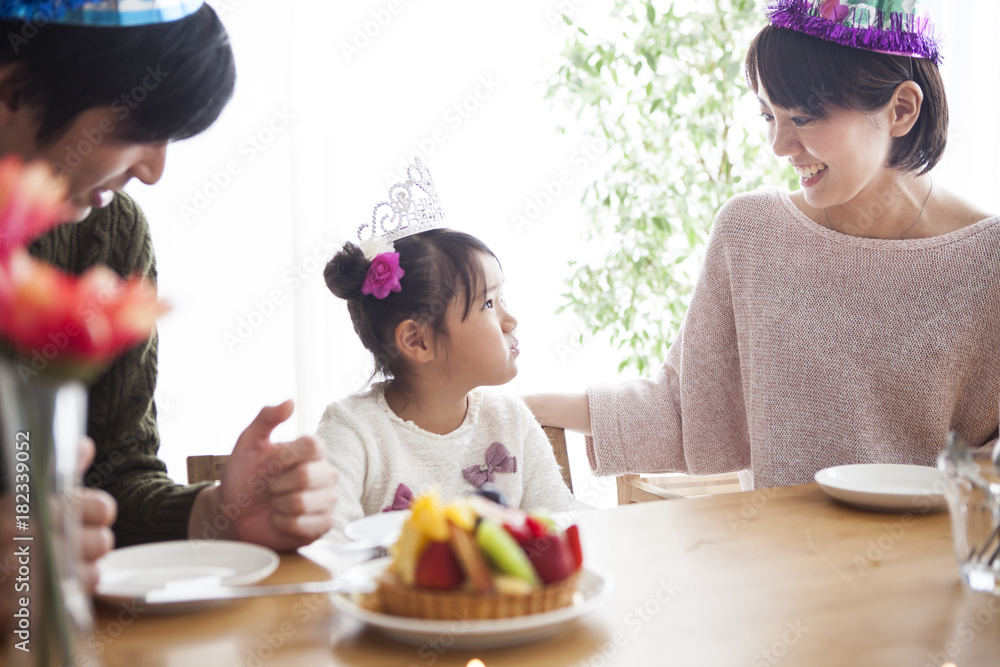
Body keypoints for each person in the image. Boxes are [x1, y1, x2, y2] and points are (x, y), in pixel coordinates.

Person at [524, 0, 1000, 490]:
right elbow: (687, 410)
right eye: (770, 116)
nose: (779, 146)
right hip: (776, 558)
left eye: (805, 118)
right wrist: (527, 407)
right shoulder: (751, 232)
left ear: (901, 109)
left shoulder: (990, 261)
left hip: (934, 559)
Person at [0, 1, 338, 579]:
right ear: (14, 91)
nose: (154, 171)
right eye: (140, 130)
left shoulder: (108, 232)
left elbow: (114, 477)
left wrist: (219, 515)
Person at [318, 160, 580, 535]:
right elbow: (327, 547)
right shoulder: (352, 429)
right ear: (417, 341)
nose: (511, 320)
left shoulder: (511, 421)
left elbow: (562, 529)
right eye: (489, 304)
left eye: (502, 298)